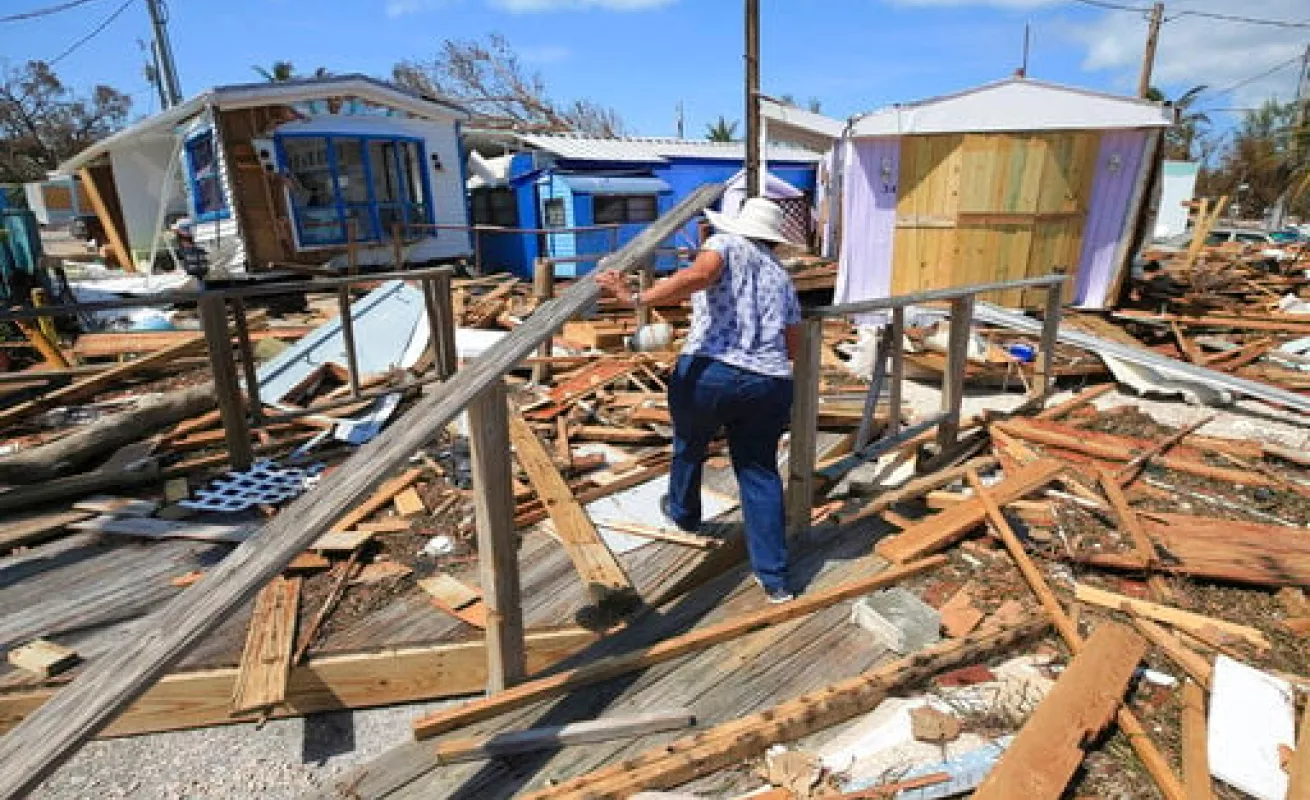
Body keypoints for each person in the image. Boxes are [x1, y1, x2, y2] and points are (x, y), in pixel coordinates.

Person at [596, 197, 802, 603]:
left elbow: (699, 274)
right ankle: (775, 579)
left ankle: (685, 514)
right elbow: (792, 344)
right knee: (759, 471)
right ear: (773, 238)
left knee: (689, 445)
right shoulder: (782, 276)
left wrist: (636, 298)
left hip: (711, 371)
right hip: (770, 380)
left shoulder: (724, 244)